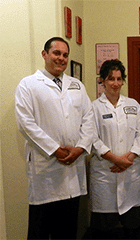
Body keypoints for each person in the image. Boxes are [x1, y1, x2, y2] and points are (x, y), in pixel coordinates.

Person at [15, 37, 95, 239]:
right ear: (45, 54)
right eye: (56, 53)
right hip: (46, 169)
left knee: (67, 231)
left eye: (65, 55)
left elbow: (89, 118)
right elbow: (25, 124)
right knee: (40, 231)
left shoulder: (76, 85)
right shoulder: (28, 85)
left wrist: (80, 148)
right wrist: (55, 149)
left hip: (73, 167)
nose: (61, 58)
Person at [88, 59, 140, 239]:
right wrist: (115, 159)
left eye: (119, 79)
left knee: (133, 227)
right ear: (102, 81)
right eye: (111, 79)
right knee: (104, 229)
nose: (115, 83)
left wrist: (127, 159)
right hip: (106, 174)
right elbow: (92, 138)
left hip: (130, 172)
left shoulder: (133, 105)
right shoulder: (93, 107)